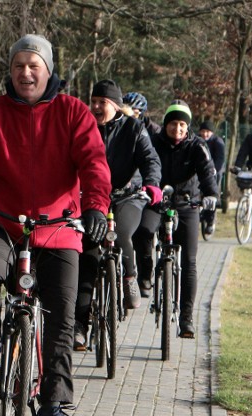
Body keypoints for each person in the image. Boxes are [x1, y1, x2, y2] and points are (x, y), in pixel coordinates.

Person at [0, 34, 111, 416]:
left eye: (33, 65)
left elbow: (93, 162)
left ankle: (52, 407)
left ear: (48, 70)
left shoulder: (74, 112)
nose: (26, 72)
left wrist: (94, 206)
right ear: (10, 70)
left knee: (61, 318)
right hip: (5, 221)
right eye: (19, 65)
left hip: (59, 227)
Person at [73, 79, 162, 350]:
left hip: (127, 196)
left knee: (122, 231)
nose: (97, 107)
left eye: (103, 102)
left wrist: (152, 183)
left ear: (115, 105)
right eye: (94, 101)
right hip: (91, 200)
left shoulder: (134, 128)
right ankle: (80, 324)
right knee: (87, 255)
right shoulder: (83, 128)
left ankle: (130, 277)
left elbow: (150, 159)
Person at [133, 100, 218, 338]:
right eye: (173, 124)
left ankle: (186, 319)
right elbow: (142, 166)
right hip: (157, 202)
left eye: (182, 125)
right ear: (166, 124)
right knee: (143, 232)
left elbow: (208, 173)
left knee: (189, 262)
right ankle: (145, 276)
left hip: (187, 204)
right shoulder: (154, 142)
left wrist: (210, 196)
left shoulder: (197, 146)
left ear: (187, 126)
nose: (177, 129)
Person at [197, 120, 225, 235]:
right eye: (203, 131)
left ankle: (210, 221)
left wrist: (214, 170)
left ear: (212, 132)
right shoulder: (197, 141)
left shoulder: (218, 142)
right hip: (201, 170)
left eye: (207, 132)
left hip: (214, 170)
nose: (205, 134)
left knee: (211, 194)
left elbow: (220, 159)